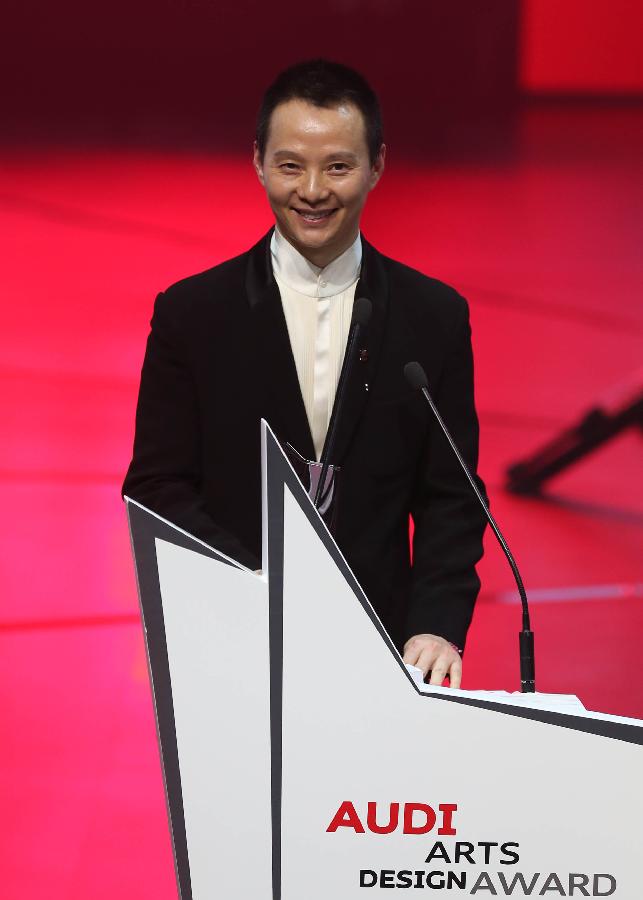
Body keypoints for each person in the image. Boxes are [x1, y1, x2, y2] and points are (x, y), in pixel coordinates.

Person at [123, 59, 487, 688]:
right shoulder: (192, 314)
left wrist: (436, 625)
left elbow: (452, 497)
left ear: (377, 166)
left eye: (338, 167)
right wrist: (258, 593)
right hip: (226, 642)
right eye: (291, 165)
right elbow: (158, 487)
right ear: (258, 162)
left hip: (386, 655)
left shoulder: (436, 318)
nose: (313, 190)